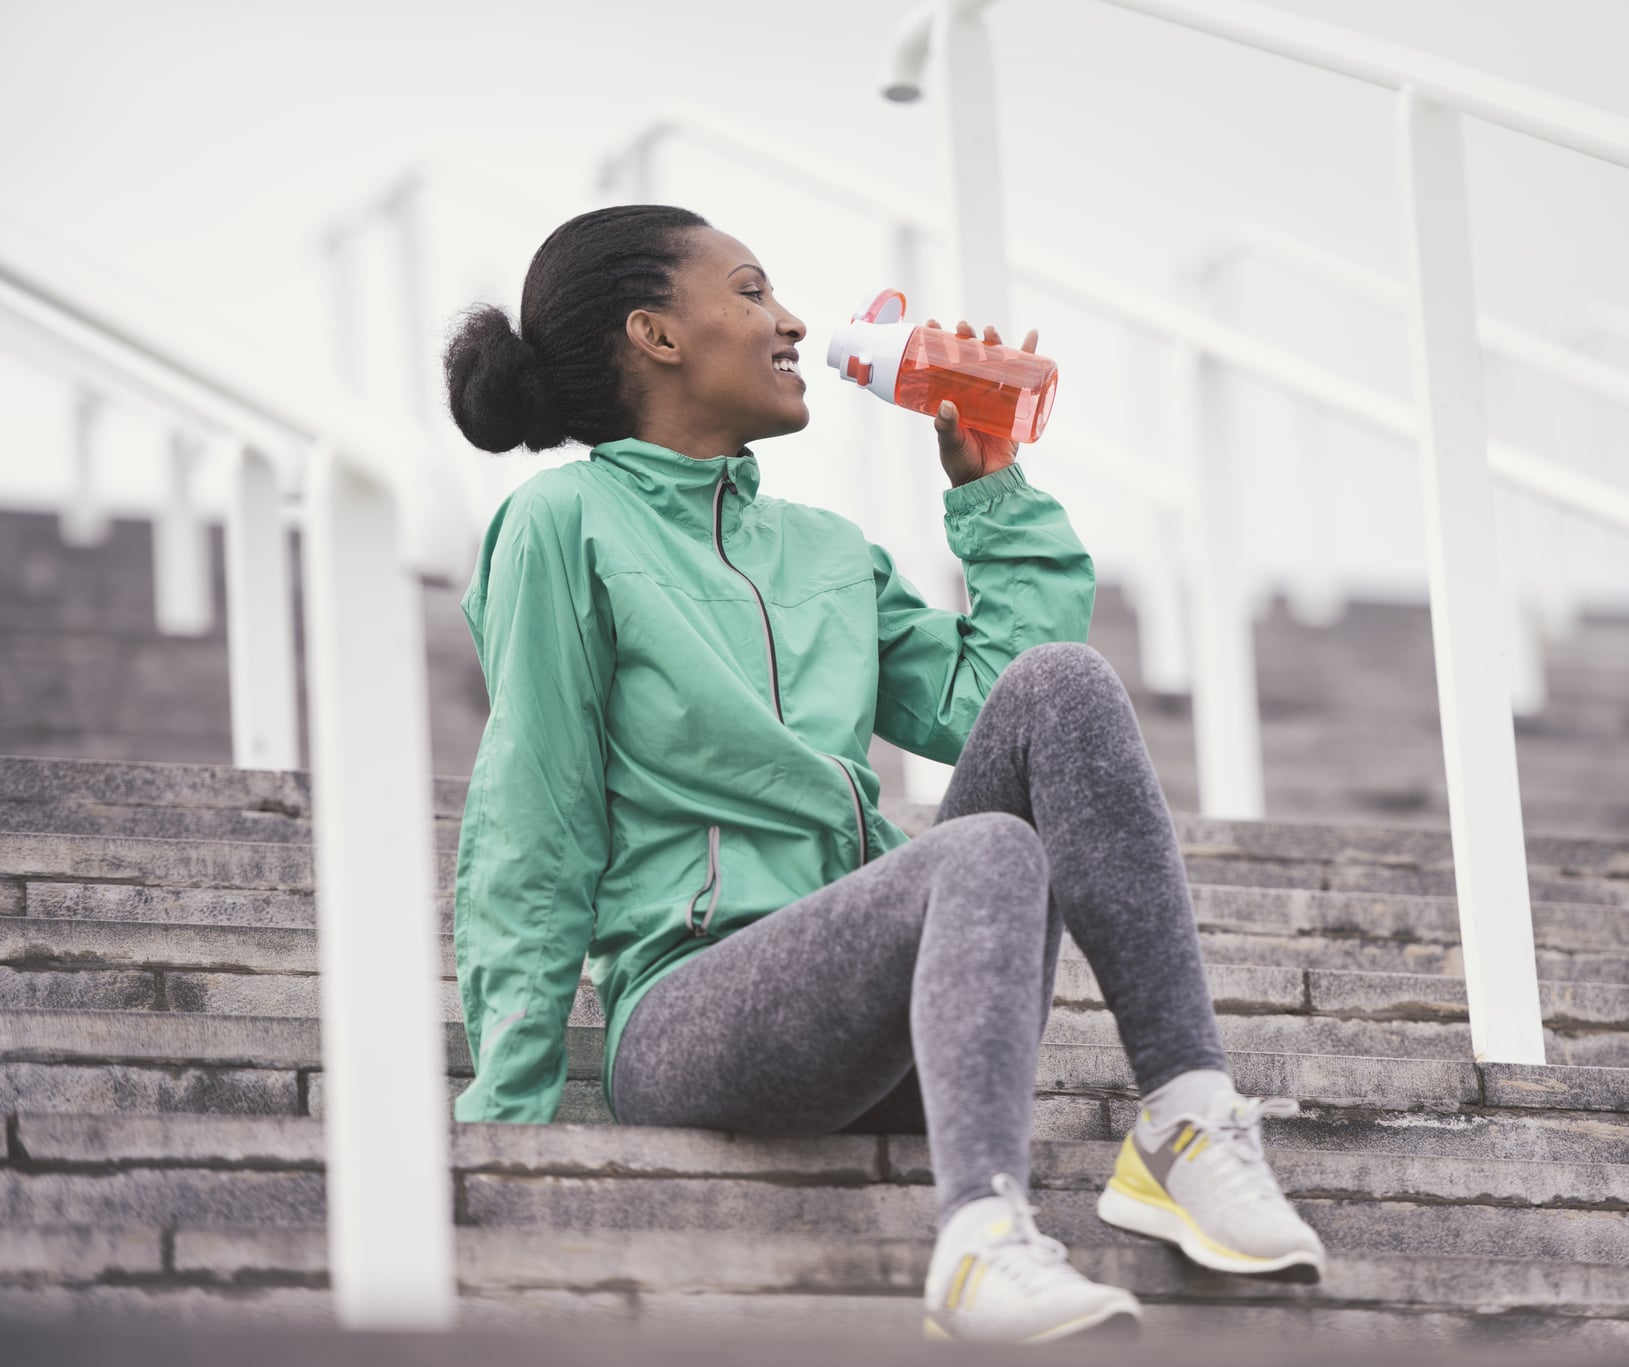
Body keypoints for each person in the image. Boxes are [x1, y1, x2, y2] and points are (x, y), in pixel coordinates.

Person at [441, 204, 1324, 1344]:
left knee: (1061, 680)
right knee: (985, 850)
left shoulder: (822, 549)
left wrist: (991, 492)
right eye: (753, 291)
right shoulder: (561, 523)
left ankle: (1185, 1117)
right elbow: (534, 810)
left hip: (885, 1013)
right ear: (655, 333)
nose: (793, 320)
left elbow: (988, 701)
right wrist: (506, 1119)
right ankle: (980, 1234)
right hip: (690, 1018)